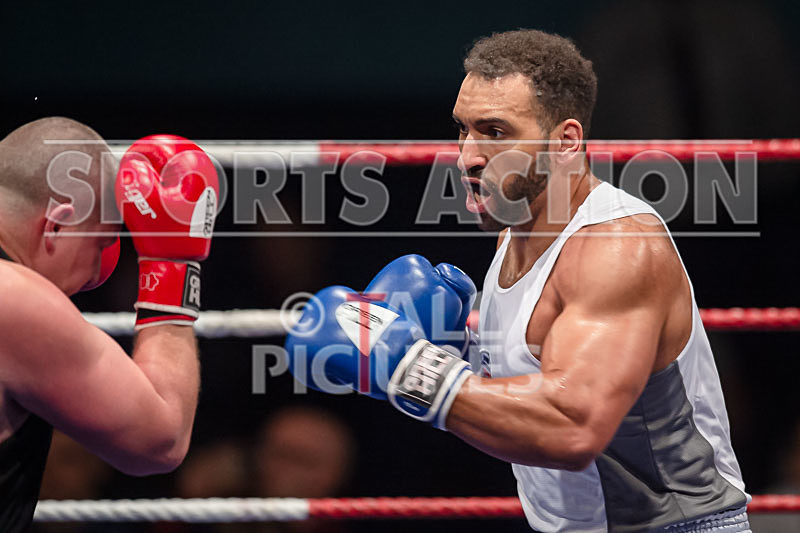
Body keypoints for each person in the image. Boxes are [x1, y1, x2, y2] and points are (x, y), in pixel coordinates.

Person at [285, 30, 750, 532]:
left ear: (566, 142)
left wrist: (409, 365)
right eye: (463, 130)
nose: (467, 155)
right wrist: (454, 353)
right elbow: (533, 385)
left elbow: (573, 427)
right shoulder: (516, 231)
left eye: (495, 131)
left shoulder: (615, 247)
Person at [0, 117, 218, 531]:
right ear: (57, 225)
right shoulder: (16, 300)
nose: (98, 272)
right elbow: (160, 440)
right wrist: (171, 262)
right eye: (100, 242)